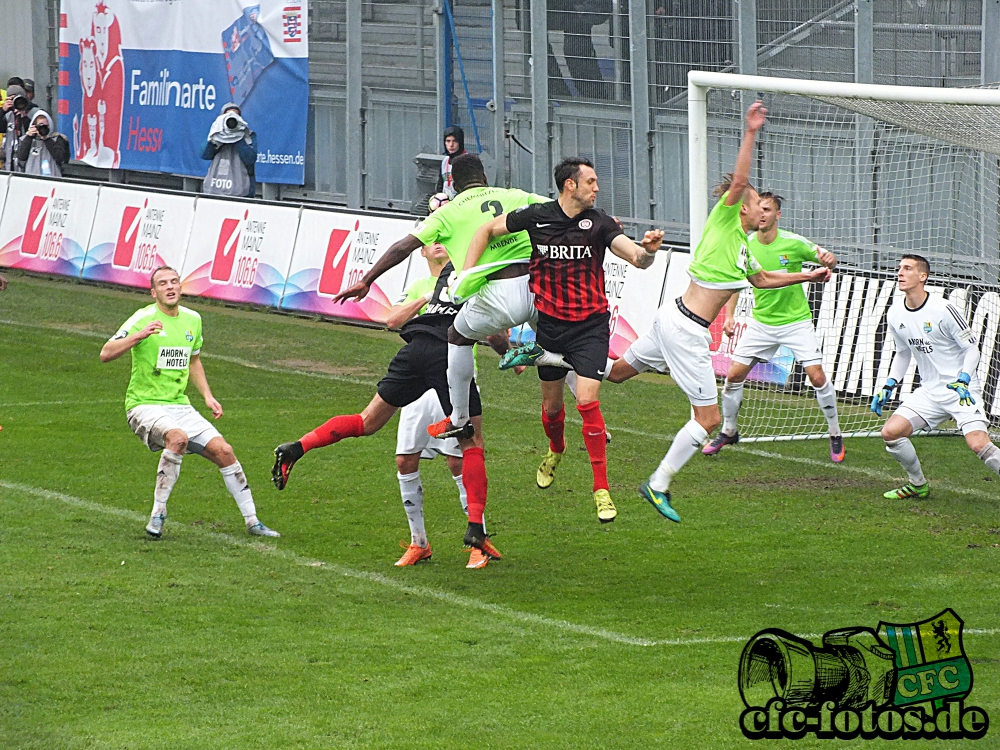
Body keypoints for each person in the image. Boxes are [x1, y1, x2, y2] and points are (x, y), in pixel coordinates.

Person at [597, 102, 832, 522]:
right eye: (759, 202)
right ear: (741, 206)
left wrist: (806, 278)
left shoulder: (742, 248)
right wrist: (750, 132)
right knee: (706, 418)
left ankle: (546, 355)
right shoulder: (724, 220)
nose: (764, 208)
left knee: (615, 374)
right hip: (686, 331)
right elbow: (740, 178)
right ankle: (658, 483)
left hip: (671, 318)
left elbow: (761, 281)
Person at [272, 253, 513, 563]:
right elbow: (492, 331)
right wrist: (512, 355)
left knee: (367, 421)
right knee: (471, 443)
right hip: (449, 355)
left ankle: (298, 447)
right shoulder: (489, 268)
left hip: (415, 349)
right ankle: (475, 531)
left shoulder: (450, 269)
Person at [464, 157, 666, 522]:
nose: (597, 188)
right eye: (590, 181)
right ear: (569, 185)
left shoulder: (600, 223)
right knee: (554, 409)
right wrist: (467, 275)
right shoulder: (536, 216)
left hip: (590, 327)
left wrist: (648, 251)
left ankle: (601, 489)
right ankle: (556, 448)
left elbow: (636, 257)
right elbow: (485, 231)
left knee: (588, 400)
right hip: (551, 328)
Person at [99, 266, 280, 539]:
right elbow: (105, 353)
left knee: (224, 450)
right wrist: (139, 335)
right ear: (154, 292)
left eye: (174, 282)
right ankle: (158, 514)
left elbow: (193, 359)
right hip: (143, 405)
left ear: (180, 288)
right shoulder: (142, 318)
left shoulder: (193, 320)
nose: (170, 287)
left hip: (180, 406)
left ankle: (253, 522)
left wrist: (207, 396)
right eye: (163, 283)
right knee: (178, 439)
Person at [703, 192, 842, 461]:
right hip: (761, 323)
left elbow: (825, 257)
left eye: (768, 209)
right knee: (733, 377)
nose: (762, 213)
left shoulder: (793, 242)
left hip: (795, 322)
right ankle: (729, 430)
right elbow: (737, 281)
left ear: (778, 215)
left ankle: (834, 432)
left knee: (817, 377)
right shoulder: (747, 243)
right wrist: (729, 317)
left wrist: (828, 260)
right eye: (760, 208)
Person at [386, 242, 489, 568]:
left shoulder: (466, 279)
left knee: (460, 460)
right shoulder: (417, 286)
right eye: (431, 240)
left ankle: (479, 542)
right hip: (419, 383)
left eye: (445, 237)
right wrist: (426, 300)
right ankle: (419, 543)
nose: (438, 243)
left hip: (453, 378)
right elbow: (393, 320)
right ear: (422, 253)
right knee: (405, 460)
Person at [871, 255, 1000, 499]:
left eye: (907, 269)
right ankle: (917, 484)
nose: (900, 273)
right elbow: (902, 353)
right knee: (891, 432)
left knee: (979, 445)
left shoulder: (944, 309)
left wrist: (963, 379)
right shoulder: (895, 313)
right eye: (899, 268)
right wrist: (889, 384)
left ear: (923, 276)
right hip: (930, 392)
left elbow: (972, 349)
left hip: (960, 390)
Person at [201, 102, 258, 198]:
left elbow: (250, 159)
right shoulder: (216, 134)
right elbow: (204, 155)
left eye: (236, 115)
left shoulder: (248, 135)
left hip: (241, 191)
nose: (232, 117)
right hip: (215, 189)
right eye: (228, 115)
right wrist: (215, 140)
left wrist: (238, 137)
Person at [17, 110, 69, 177]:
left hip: (52, 178)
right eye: (40, 126)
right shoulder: (26, 139)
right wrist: (29, 137)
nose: (43, 128)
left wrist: (46, 139)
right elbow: (21, 157)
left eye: (46, 126)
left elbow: (61, 158)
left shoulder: (57, 139)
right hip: (31, 179)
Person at [1, 84, 39, 172]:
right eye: (11, 99)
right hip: (10, 158)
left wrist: (24, 112)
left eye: (17, 98)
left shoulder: (32, 111)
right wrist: (3, 111)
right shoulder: (8, 114)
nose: (15, 102)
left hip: (28, 157)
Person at [435, 125, 466, 199]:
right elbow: (440, 185)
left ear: (460, 143)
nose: (451, 145)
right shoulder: (445, 161)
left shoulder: (467, 161)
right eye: (448, 141)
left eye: (455, 141)